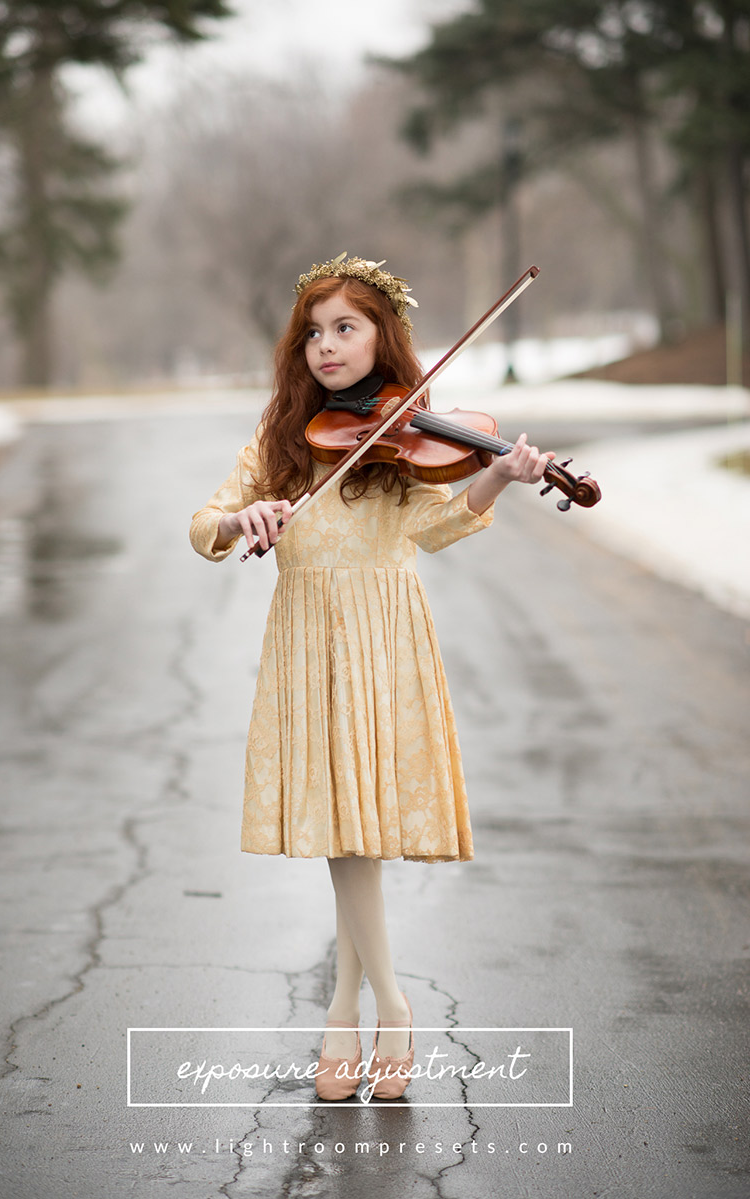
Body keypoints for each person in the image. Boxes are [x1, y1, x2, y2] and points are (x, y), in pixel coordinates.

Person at [189, 253, 552, 1102]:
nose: (326, 346)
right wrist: (241, 515)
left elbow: (436, 526)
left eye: (345, 328)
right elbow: (204, 523)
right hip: (309, 640)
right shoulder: (283, 441)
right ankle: (378, 1004)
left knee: (360, 830)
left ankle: (353, 1012)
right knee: (345, 827)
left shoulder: (401, 441)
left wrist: (498, 471)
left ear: (383, 339)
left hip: (384, 638)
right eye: (313, 333)